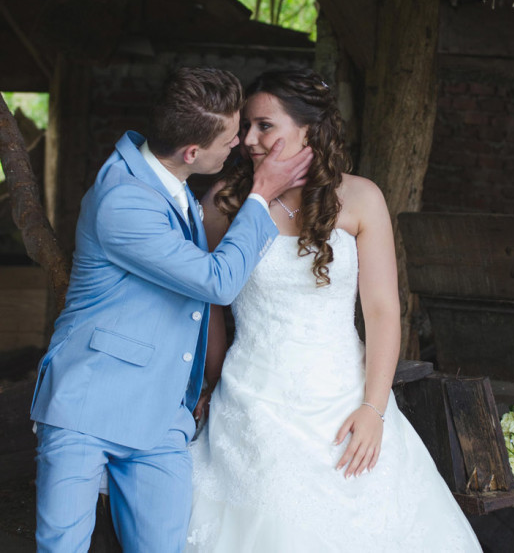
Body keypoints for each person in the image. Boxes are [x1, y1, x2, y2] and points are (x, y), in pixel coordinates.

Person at [185, 69, 481, 552]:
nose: (248, 140)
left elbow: (384, 310)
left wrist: (374, 409)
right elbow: (209, 302)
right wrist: (213, 381)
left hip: (343, 397)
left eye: (265, 126)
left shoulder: (362, 198)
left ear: (307, 129)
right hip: (252, 399)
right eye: (246, 128)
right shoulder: (224, 202)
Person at [30, 67, 312, 553]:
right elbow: (216, 282)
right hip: (88, 407)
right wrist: (262, 194)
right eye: (230, 138)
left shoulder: (173, 181)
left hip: (161, 416)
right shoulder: (122, 200)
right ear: (192, 152)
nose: (241, 144)